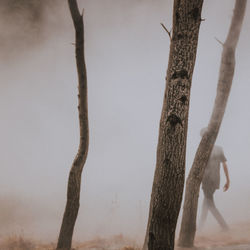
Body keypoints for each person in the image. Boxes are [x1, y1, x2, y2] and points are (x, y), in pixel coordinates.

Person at [199, 128, 230, 231]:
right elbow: (224, 164)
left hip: (208, 180)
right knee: (206, 203)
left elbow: (224, 164)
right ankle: (200, 227)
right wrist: (227, 180)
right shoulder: (218, 148)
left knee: (210, 204)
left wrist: (228, 180)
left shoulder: (204, 150)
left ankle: (224, 227)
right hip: (213, 180)